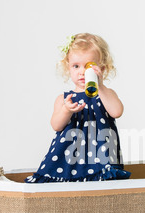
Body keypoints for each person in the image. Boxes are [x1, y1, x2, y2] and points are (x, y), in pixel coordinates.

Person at [26, 33, 130, 183]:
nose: (82, 72)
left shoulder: (105, 94)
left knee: (101, 190)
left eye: (88, 67)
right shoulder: (64, 99)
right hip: (69, 157)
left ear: (101, 68)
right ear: (68, 67)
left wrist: (99, 85)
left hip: (100, 157)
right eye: (76, 66)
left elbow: (117, 111)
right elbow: (56, 125)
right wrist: (66, 110)